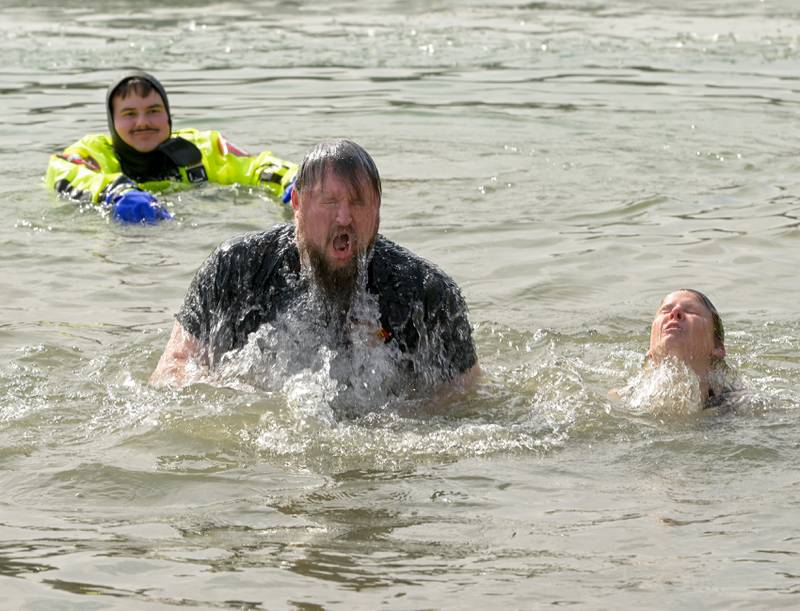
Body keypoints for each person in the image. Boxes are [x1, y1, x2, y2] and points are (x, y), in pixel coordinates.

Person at [150, 139, 479, 399]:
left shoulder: (426, 293)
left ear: (378, 211)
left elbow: (464, 397)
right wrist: (249, 404)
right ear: (297, 203)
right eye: (330, 202)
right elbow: (170, 372)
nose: (344, 218)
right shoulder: (235, 269)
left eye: (358, 202)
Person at [45, 70, 297, 223]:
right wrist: (114, 193)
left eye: (153, 111)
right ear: (112, 122)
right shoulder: (95, 152)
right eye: (129, 114)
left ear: (168, 116)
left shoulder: (199, 150)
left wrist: (296, 180)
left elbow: (256, 167)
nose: (142, 122)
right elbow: (61, 170)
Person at [645, 288, 729, 406]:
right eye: (665, 311)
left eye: (691, 311)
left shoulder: (743, 407)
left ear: (718, 347)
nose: (675, 312)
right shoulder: (621, 399)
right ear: (650, 349)